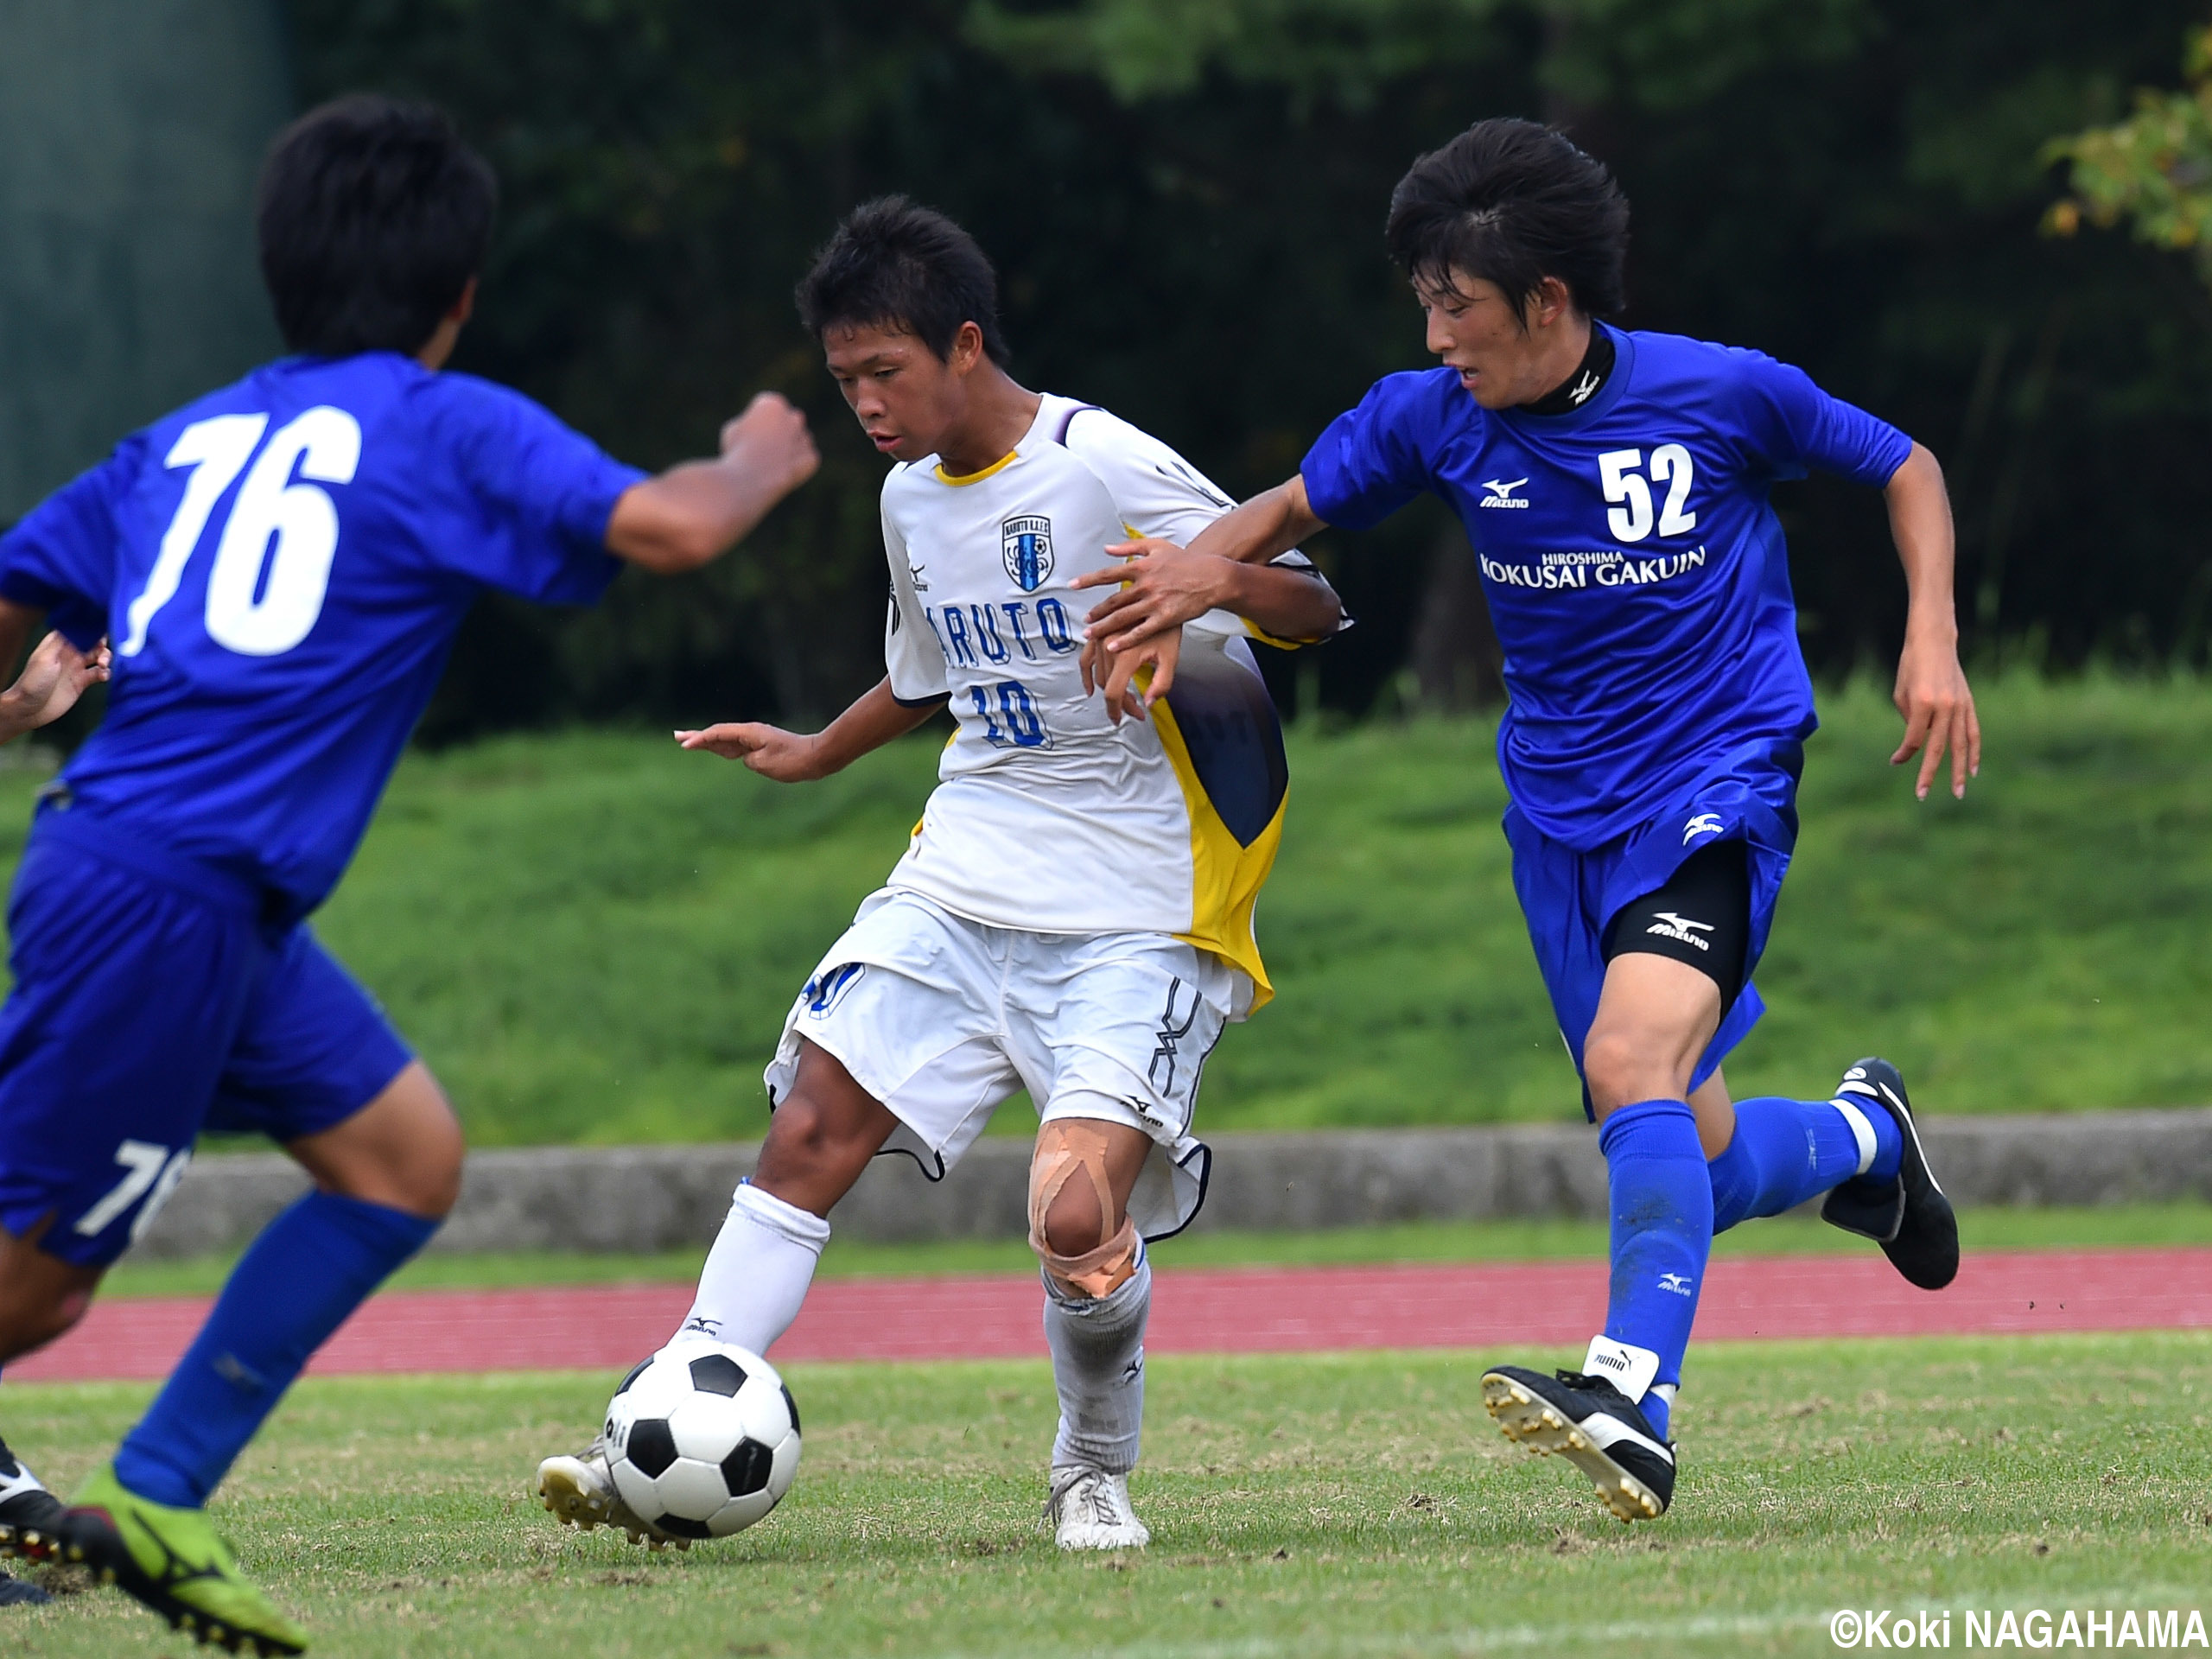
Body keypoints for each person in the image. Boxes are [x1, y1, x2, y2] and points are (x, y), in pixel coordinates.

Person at [0, 94, 818, 1650]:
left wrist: (23, 694)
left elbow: (13, 594)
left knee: (403, 1161)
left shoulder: (175, 439)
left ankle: (163, 1494)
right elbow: (669, 530)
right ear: (459, 295)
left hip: (196, 898)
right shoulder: (440, 422)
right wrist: (756, 458)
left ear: (277, 274)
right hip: (164, 898)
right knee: (31, 1297)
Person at [1073, 118, 1976, 1524]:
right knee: (1704, 1146)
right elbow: (1298, 506)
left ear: (1547, 303)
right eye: (1424, 302)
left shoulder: (1722, 394)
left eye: (1458, 305)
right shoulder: (1430, 415)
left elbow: (1905, 464)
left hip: (1719, 780)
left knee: (1631, 1060)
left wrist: (1933, 638)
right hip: (1561, 817)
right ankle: (1868, 1140)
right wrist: (1197, 577)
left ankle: (1634, 1396)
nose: (1437, 335)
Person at [534, 196, 1346, 1554]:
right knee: (807, 1135)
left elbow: (1314, 599)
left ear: (965, 344)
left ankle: (1092, 1470)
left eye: (883, 372)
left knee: (1074, 1211)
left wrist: (1206, 587)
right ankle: (655, 1420)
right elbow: (929, 677)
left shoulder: (1103, 462)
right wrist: (814, 752)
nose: (863, 402)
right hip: (964, 875)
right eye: (843, 377)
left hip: (1139, 908)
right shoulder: (911, 498)